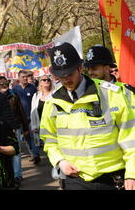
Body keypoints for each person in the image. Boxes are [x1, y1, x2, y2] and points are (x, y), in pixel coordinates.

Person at [40, 42, 135, 190]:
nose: (66, 79)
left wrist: (132, 173)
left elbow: (130, 138)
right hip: (75, 178)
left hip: (114, 179)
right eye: (61, 76)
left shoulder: (112, 94)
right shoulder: (51, 102)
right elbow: (49, 139)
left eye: (69, 74)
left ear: (80, 68)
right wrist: (60, 161)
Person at [84, 45, 135, 109]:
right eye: (88, 69)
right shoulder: (85, 92)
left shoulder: (127, 91)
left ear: (106, 68)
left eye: (94, 69)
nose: (90, 72)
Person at [29, 75, 55, 165]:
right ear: (40, 82)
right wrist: (34, 126)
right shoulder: (36, 95)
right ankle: (36, 156)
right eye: (44, 80)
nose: (46, 81)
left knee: (53, 147)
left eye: (48, 80)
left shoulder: (55, 94)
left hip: (52, 126)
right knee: (42, 145)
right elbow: (33, 111)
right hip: (40, 125)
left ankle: (57, 168)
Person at [8, 93, 29, 189]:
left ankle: (17, 176)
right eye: (1, 84)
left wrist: (25, 127)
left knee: (16, 152)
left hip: (16, 127)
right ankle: (12, 175)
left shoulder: (14, 96)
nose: (4, 86)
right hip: (3, 129)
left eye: (6, 84)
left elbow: (21, 111)